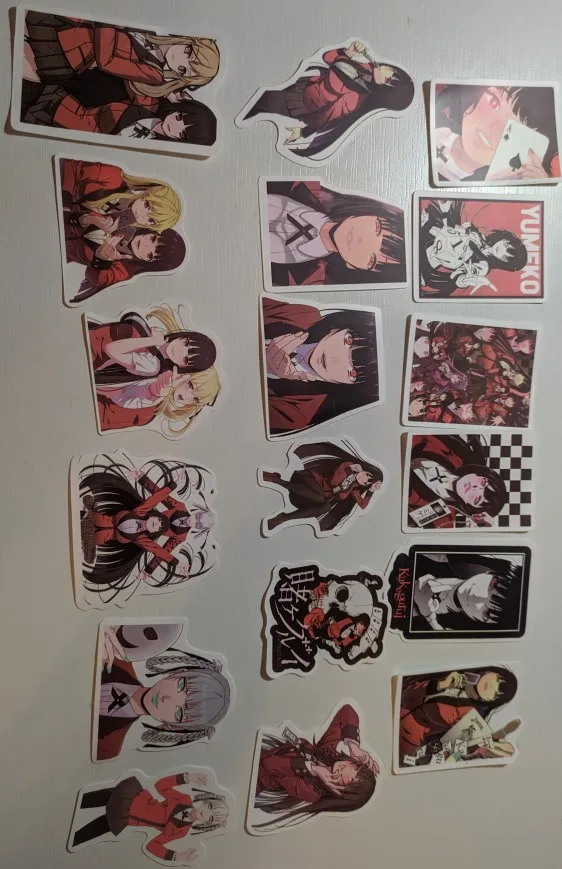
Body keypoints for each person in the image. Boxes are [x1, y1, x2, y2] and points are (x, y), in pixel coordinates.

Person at [242, 40, 413, 160]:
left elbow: (327, 116)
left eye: (390, 79)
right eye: (392, 71)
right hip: (303, 84)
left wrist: (302, 132)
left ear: (385, 87)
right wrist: (348, 52)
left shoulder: (355, 97)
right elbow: (327, 58)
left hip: (300, 103)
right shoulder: (365, 65)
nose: (386, 71)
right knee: (260, 99)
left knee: (263, 101)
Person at [79, 457, 217, 604]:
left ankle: (91, 541)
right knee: (115, 518)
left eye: (198, 524)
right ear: (197, 512)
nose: (193, 521)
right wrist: (144, 479)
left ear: (198, 528)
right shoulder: (180, 507)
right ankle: (90, 517)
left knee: (120, 536)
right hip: (148, 516)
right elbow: (159, 495)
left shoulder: (181, 536)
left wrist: (152, 569)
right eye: (197, 517)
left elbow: (161, 551)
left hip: (148, 533)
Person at [60, 158, 186, 300]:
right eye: (147, 205)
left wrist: (102, 260)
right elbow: (71, 166)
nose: (144, 245)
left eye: (150, 255)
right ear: (147, 192)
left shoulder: (125, 267)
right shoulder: (115, 178)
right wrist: (64, 205)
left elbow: (98, 279)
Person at [96, 628, 231, 760]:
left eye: (179, 713)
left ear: (173, 726)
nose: (166, 698)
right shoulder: (115, 653)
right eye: (181, 685)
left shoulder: (109, 748)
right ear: (177, 673)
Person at [23, 13, 219, 101]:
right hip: (67, 21)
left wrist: (106, 20)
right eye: (188, 51)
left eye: (183, 70)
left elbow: (107, 62)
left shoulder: (154, 73)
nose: (179, 59)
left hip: (67, 55)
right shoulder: (154, 31)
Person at [87, 307, 221, 436]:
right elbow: (98, 346)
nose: (187, 396)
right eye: (190, 385)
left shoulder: (148, 413)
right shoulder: (152, 361)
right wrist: (149, 341)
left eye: (195, 399)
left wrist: (158, 391)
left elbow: (100, 420)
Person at [262, 296, 380, 437]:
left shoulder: (300, 411)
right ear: (339, 328)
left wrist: (268, 370)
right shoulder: (302, 315)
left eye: (352, 372)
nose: (334, 359)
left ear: (349, 386)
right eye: (348, 341)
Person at [253, 703, 378, 831]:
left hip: (253, 776)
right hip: (257, 746)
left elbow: (270, 764)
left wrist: (313, 769)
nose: (346, 769)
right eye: (355, 767)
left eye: (350, 781)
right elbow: (347, 711)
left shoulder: (312, 791)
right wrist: (354, 747)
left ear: (343, 794)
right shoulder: (327, 753)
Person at [266, 179, 406, 286]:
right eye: (377, 227)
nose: (361, 241)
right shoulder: (308, 186)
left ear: (354, 267)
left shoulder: (303, 281)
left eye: (371, 259)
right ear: (369, 212)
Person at [70, 770, 228, 864]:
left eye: (211, 818)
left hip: (125, 818)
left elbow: (152, 845)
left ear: (208, 824)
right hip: (129, 797)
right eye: (210, 807)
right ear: (205, 802)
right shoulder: (184, 799)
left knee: (82, 835)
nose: (207, 813)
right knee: (80, 799)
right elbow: (160, 786)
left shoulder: (182, 831)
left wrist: (176, 857)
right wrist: (186, 777)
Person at [433, 84, 559, 182]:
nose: (494, 127)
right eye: (494, 102)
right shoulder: (435, 124)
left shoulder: (484, 189)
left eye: (513, 131)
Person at [399, 667, 518, 766]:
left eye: (496, 694)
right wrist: (441, 684)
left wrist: (484, 749)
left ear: (492, 700)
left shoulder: (472, 717)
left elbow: (449, 748)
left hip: (407, 741)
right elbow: (406, 696)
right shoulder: (456, 675)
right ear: (491, 671)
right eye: (497, 679)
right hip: (396, 712)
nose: (491, 686)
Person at [261, 440, 383, 533]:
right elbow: (334, 481)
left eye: (366, 483)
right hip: (305, 480)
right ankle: (278, 481)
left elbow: (363, 505)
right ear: (365, 470)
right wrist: (350, 468)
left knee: (326, 506)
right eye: (367, 475)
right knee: (321, 498)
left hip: (302, 498)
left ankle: (284, 518)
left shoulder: (353, 488)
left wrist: (371, 490)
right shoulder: (347, 466)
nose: (364, 480)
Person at [419, 198, 528, 297]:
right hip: (434, 241)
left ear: (503, 262)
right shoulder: (480, 236)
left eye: (505, 257)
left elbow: (462, 274)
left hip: (434, 262)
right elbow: (454, 229)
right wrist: (464, 228)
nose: (501, 249)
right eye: (506, 245)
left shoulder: (484, 265)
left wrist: (463, 280)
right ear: (504, 239)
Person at [408, 434, 508, 529]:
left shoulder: (443, 512)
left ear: (469, 507)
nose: (475, 488)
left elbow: (407, 520)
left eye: (477, 499)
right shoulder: (456, 455)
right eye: (483, 483)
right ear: (480, 473)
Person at [411, 552, 523, 632]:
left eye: (487, 612)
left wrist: (426, 617)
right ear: (490, 572)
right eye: (494, 585)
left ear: (482, 623)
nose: (478, 595)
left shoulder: (440, 628)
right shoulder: (444, 557)